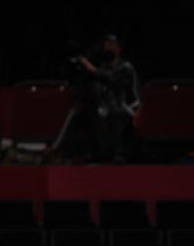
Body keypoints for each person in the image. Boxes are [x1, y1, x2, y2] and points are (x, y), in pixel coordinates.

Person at [51, 35, 138, 163]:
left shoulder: (126, 68)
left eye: (111, 45)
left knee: (113, 116)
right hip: (104, 109)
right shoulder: (103, 67)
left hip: (125, 109)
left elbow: (113, 81)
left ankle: (112, 155)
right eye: (106, 45)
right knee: (77, 112)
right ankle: (60, 153)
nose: (107, 48)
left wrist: (92, 70)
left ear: (119, 48)